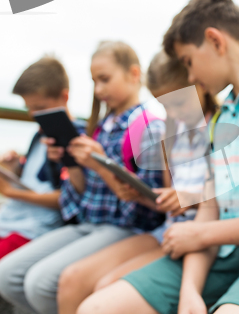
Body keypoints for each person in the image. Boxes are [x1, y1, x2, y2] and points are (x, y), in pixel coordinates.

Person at [76, 0, 239, 314]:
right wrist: (189, 290)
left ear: (215, 41)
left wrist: (202, 233)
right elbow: (211, 207)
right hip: (219, 253)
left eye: (188, 61)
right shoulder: (222, 118)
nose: (191, 77)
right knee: (97, 307)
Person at [0, 41, 165, 314]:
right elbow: (80, 196)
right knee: (8, 276)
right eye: (94, 82)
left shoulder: (146, 126)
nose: (98, 90)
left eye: (105, 80)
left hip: (125, 227)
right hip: (88, 222)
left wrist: (102, 165)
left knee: (41, 284)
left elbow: (150, 207)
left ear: (134, 75)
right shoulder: (100, 127)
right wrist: (72, 163)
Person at [56, 51, 217, 314]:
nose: (172, 113)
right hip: (168, 230)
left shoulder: (218, 127)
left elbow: (221, 197)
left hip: (199, 235)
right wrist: (141, 194)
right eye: (164, 106)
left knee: (105, 288)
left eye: (177, 103)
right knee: (88, 282)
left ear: (197, 83)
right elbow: (167, 199)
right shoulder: (171, 132)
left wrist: (188, 198)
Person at [0, 56, 85, 260]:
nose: (34, 114)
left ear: (64, 97)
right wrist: (11, 168)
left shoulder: (78, 139)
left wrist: (11, 193)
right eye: (29, 108)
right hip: (12, 220)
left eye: (39, 108)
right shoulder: (39, 135)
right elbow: (31, 177)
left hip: (36, 229)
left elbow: (66, 198)